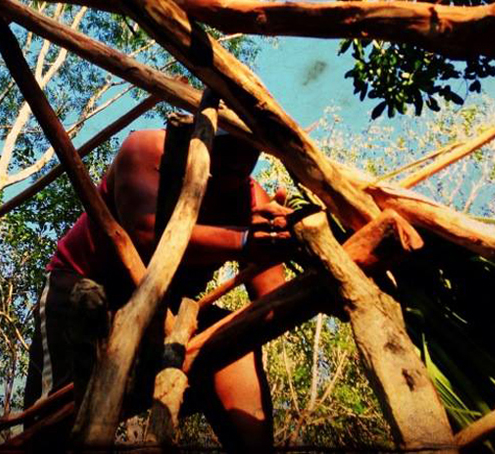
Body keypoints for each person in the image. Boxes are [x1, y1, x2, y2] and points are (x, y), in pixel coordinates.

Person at [24, 119, 297, 452]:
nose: (237, 160)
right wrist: (241, 240)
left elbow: (272, 299)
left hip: (169, 312)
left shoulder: (252, 200)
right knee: (55, 421)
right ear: (203, 137)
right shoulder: (148, 150)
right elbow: (147, 235)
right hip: (85, 289)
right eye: (227, 147)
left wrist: (286, 241)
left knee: (234, 343)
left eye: (248, 149)